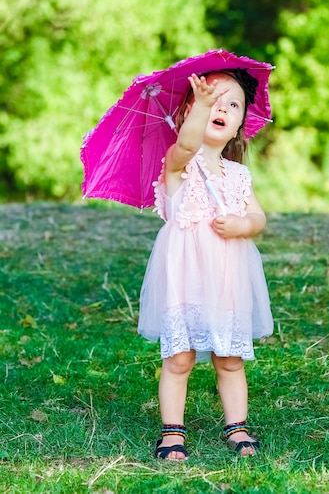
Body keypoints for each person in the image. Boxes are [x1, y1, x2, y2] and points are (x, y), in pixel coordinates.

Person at [138, 68, 274, 460]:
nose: (222, 108)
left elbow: (260, 220)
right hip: (186, 278)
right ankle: (172, 432)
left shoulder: (238, 175)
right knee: (179, 358)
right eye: (213, 100)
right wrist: (199, 108)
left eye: (233, 105)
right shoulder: (178, 164)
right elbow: (186, 144)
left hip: (227, 279)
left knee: (229, 358)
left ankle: (238, 427)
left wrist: (242, 225)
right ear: (186, 113)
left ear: (238, 127)